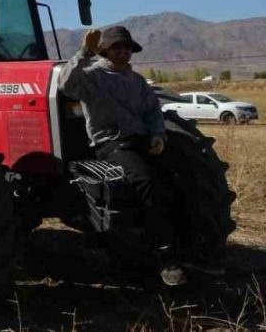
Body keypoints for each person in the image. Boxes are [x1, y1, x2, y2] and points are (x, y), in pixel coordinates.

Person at [57, 25, 201, 286]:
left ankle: (195, 244)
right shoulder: (91, 76)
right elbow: (65, 84)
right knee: (147, 183)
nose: (124, 52)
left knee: (183, 176)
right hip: (112, 144)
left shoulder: (137, 81)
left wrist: (158, 134)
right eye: (117, 47)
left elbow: (153, 112)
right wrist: (83, 52)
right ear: (104, 50)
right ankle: (164, 256)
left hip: (142, 141)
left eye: (127, 48)